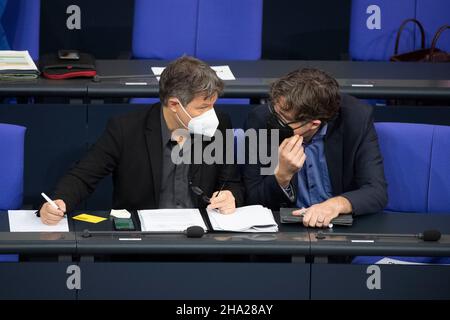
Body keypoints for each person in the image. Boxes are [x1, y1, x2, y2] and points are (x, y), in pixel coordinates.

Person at [39, 56, 244, 225]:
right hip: (143, 242)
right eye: (202, 108)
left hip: (201, 241)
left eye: (213, 105)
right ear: (174, 104)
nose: (211, 114)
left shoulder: (220, 124)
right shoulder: (125, 129)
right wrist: (59, 201)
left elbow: (232, 182)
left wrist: (230, 196)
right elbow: (83, 175)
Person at [243, 68, 387, 228]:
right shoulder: (261, 120)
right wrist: (282, 176)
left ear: (313, 124)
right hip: (285, 229)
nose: (274, 122)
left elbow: (376, 191)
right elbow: (252, 199)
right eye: (275, 112)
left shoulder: (356, 119)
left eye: (284, 120)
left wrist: (335, 205)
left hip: (337, 227)